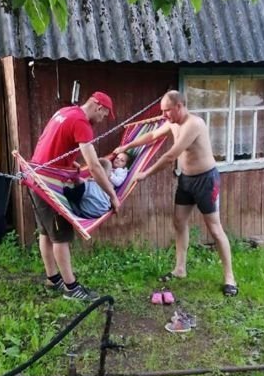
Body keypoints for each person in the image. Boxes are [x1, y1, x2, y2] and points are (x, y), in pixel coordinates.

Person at [114, 90, 238, 296]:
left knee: (215, 229)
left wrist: (146, 174)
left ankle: (229, 278)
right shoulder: (173, 122)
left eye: (167, 110)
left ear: (179, 106)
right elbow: (152, 135)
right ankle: (180, 269)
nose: (164, 115)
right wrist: (127, 145)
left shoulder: (194, 124)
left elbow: (171, 156)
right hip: (186, 180)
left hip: (206, 180)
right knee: (179, 222)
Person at [29, 91, 120, 301]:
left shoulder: (65, 112)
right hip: (49, 184)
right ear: (98, 106)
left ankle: (53, 279)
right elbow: (95, 167)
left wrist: (69, 164)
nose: (103, 119)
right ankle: (71, 288)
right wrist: (113, 196)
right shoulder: (82, 123)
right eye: (105, 114)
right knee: (60, 236)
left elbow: (49, 143)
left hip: (35, 176)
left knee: (46, 232)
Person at [64, 157, 128, 218]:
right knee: (83, 190)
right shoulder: (110, 188)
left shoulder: (88, 185)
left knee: (72, 196)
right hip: (102, 213)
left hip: (86, 214)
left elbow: (71, 195)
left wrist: (65, 188)